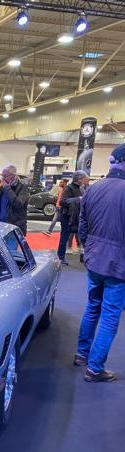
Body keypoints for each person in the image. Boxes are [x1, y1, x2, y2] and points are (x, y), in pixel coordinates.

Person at [73, 143, 125, 382]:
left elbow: (82, 226)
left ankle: (81, 354)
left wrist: (91, 249)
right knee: (110, 315)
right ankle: (95, 369)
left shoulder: (92, 189)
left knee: (93, 306)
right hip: (118, 265)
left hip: (94, 260)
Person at [57, 170, 87, 265]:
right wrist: (77, 199)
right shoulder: (69, 188)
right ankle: (60, 258)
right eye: (84, 178)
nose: (85, 180)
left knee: (82, 236)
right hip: (67, 217)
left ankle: (84, 256)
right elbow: (62, 201)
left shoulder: (81, 189)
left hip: (77, 216)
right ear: (79, 179)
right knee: (64, 238)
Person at [0, 164, 29, 234]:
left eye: (5, 176)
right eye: (2, 176)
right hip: (0, 225)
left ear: (13, 176)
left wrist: (7, 188)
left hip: (14, 226)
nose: (3, 179)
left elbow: (18, 204)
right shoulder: (3, 187)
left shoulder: (23, 188)